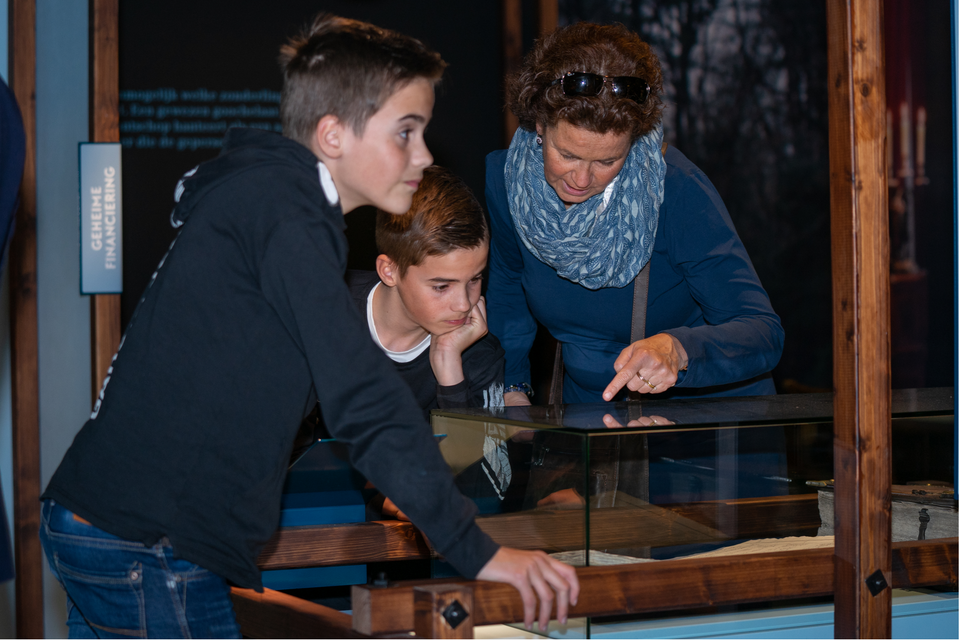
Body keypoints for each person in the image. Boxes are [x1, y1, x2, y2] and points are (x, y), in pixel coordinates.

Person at [39, 15, 577, 638]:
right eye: (405, 132)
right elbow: (362, 402)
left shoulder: (269, 201)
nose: (424, 154)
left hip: (109, 522)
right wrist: (478, 549)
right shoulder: (287, 214)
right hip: (148, 538)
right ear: (332, 134)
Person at [485, 22, 784, 408]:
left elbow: (763, 333)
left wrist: (677, 350)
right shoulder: (506, 182)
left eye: (608, 160)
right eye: (568, 154)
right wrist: (513, 386)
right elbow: (508, 285)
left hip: (703, 422)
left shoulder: (676, 192)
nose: (580, 178)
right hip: (591, 414)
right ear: (539, 125)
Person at [345, 165, 509, 518]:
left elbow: (488, 491)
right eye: (441, 286)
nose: (464, 304)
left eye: (475, 279)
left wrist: (451, 377)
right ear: (389, 270)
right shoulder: (324, 314)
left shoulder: (478, 352)